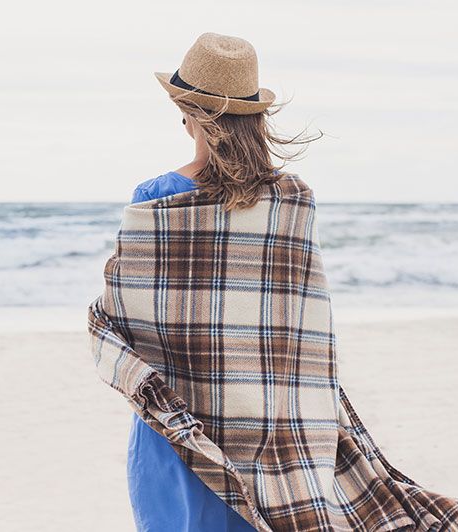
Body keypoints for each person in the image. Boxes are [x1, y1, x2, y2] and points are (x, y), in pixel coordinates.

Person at [126, 32, 321, 532]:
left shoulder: (159, 196)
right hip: (266, 408)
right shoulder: (292, 198)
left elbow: (132, 313)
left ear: (190, 113)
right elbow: (298, 315)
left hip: (179, 414)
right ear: (254, 117)